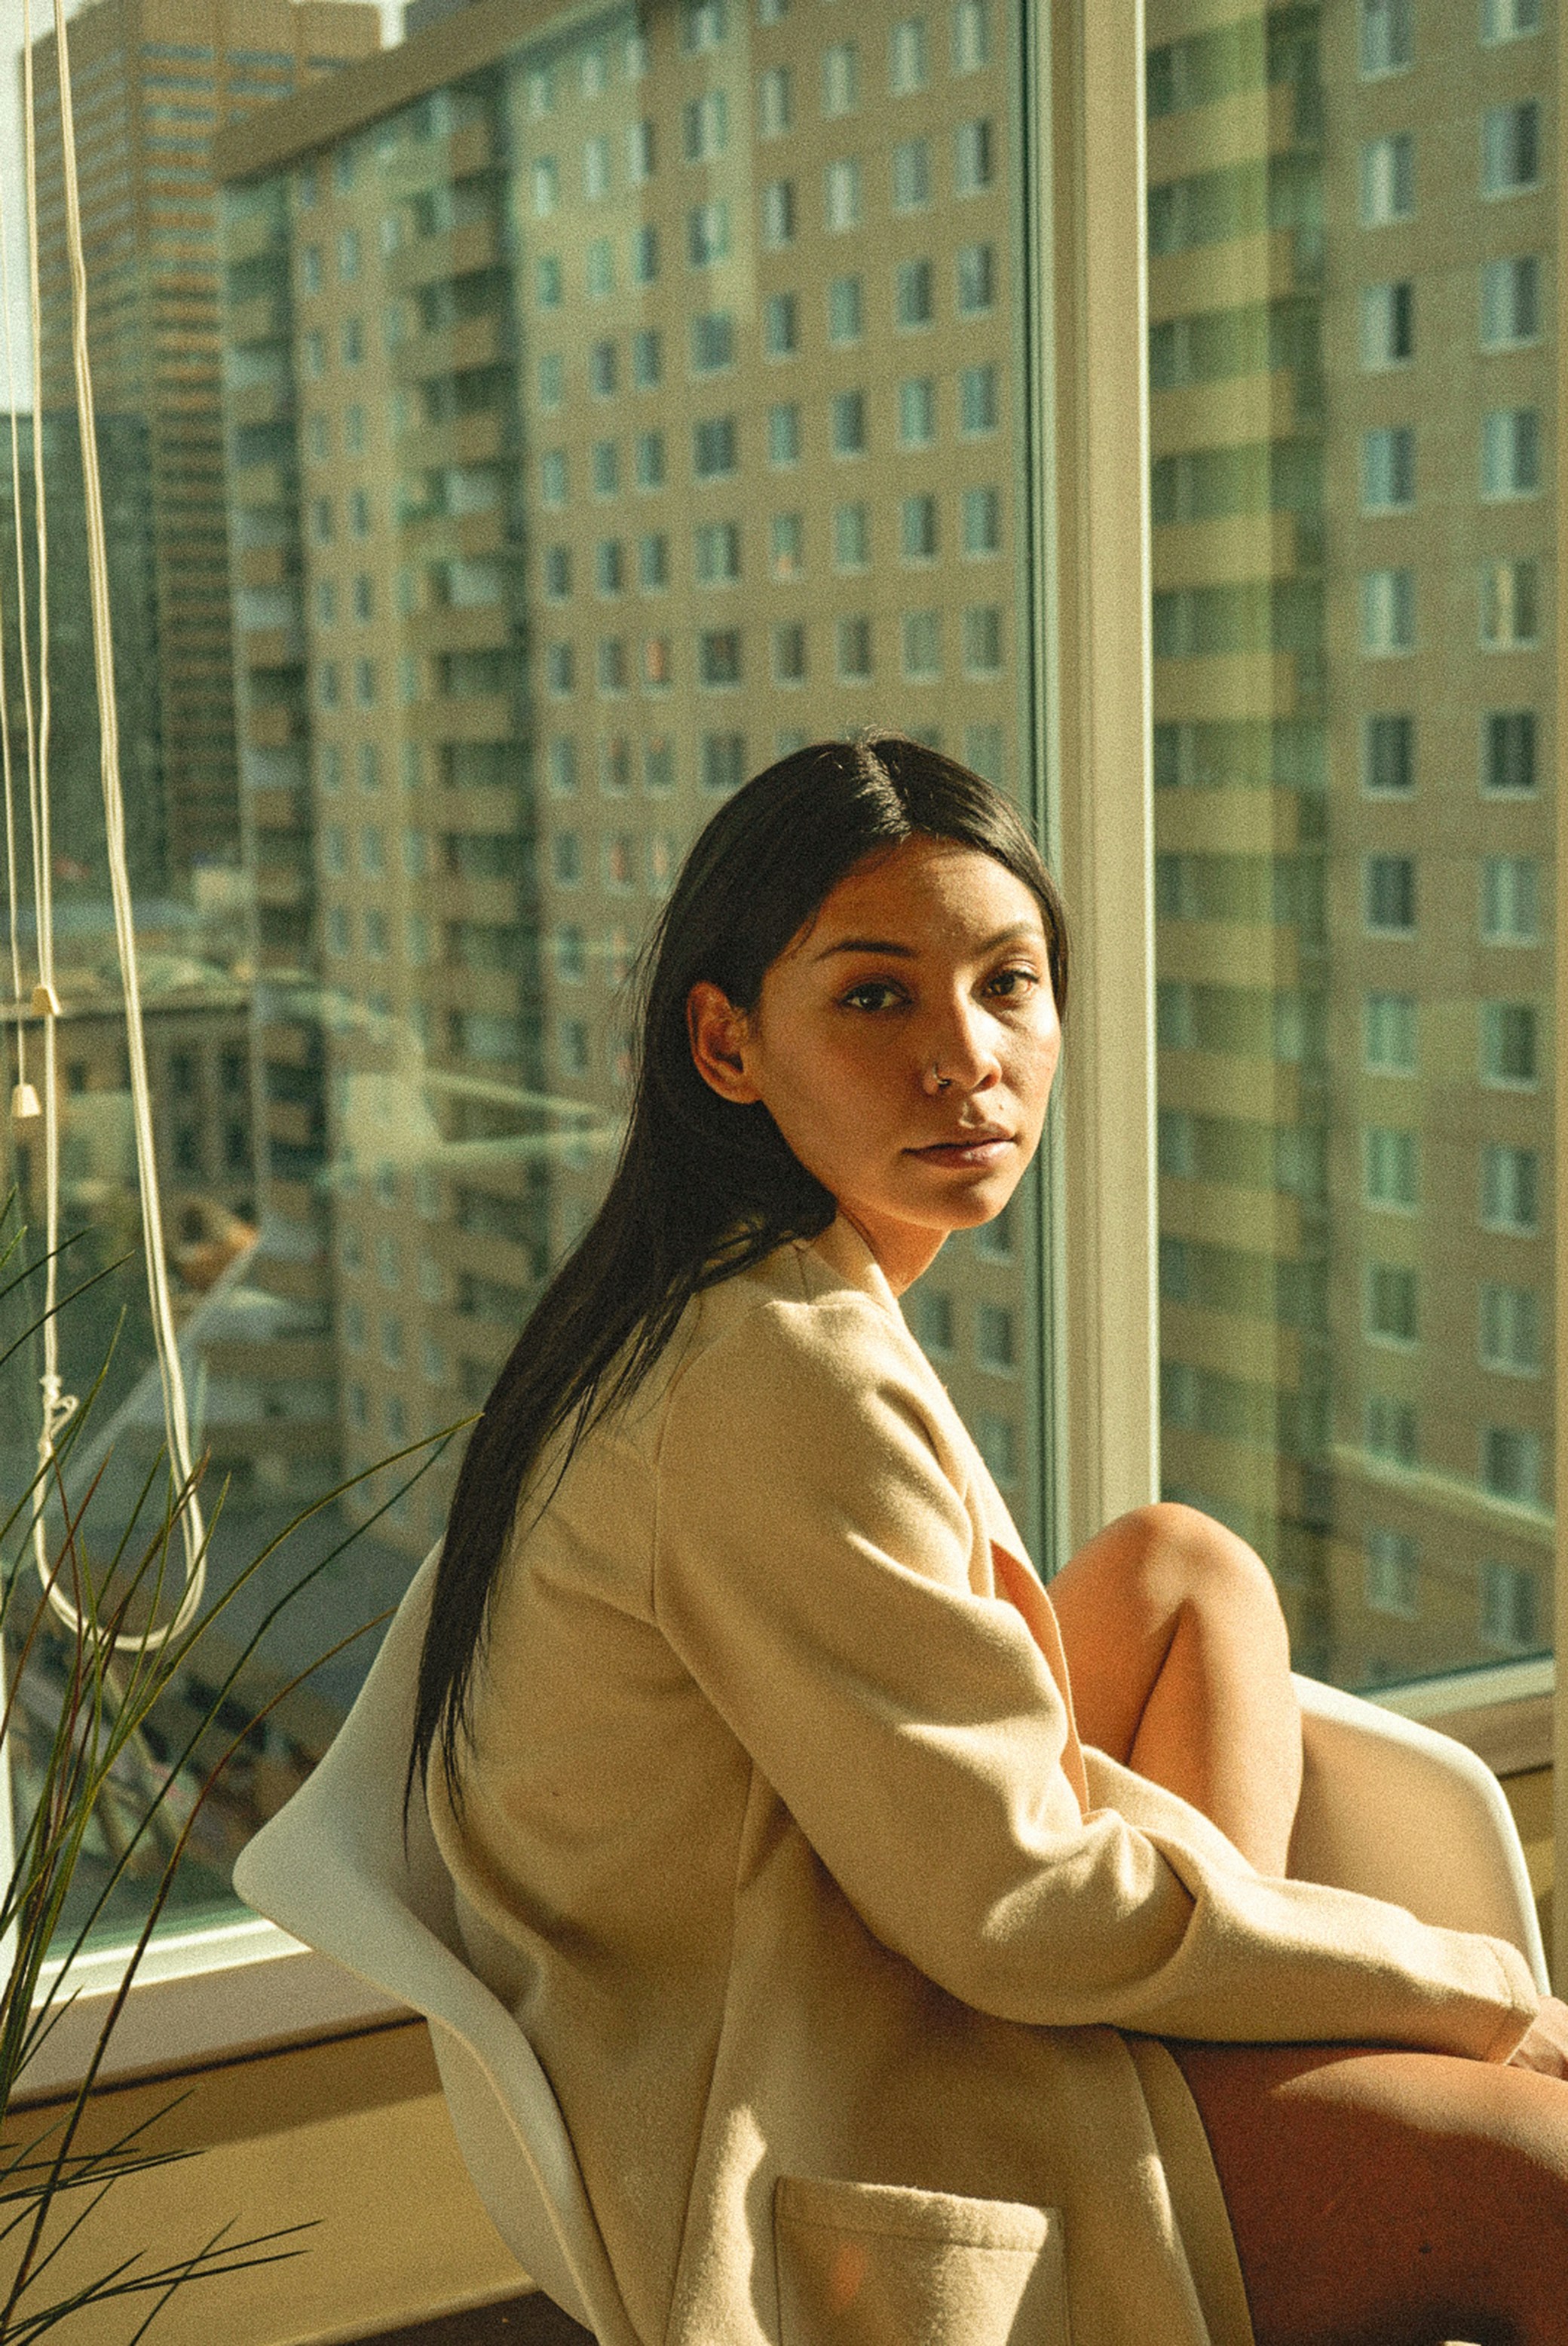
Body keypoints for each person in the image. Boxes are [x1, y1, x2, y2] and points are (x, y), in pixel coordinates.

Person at [414, 734, 1568, 2346]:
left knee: (1185, 1569)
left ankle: (1224, 2064)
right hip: (815, 2103)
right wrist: (1475, 1992)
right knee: (1543, 2175)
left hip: (827, 1933)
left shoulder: (737, 1291)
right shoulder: (774, 1369)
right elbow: (1016, 1910)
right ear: (726, 1041)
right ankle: (1247, 2099)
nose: (965, 1056)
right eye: (876, 996)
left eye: (1007, 984)